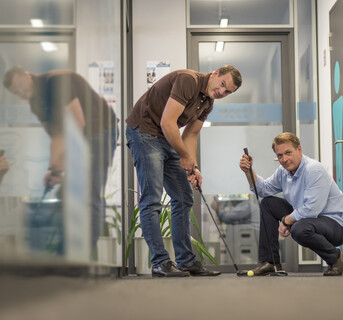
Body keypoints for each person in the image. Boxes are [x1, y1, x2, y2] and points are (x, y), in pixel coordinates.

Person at [126, 65, 242, 277]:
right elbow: (168, 122)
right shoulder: (188, 80)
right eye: (222, 84)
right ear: (215, 73)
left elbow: (190, 135)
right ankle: (160, 262)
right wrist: (185, 156)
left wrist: (193, 166)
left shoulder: (207, 102)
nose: (221, 92)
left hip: (164, 136)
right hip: (143, 130)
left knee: (183, 196)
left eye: (227, 92)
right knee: (152, 198)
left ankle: (186, 261)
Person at [3, 66, 118, 253]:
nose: (23, 94)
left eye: (22, 87)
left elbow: (77, 125)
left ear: (27, 75)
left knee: (91, 193)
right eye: (18, 93)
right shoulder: (35, 104)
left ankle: (81, 258)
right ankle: (64, 253)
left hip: (101, 131)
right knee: (66, 194)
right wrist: (54, 169)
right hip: (81, 136)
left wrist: (63, 165)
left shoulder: (55, 83)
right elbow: (56, 136)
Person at [239, 132, 343, 276]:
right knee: (268, 204)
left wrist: (286, 220)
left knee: (299, 229)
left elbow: (312, 209)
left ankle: (335, 258)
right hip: (310, 219)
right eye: (280, 155)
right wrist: (248, 172)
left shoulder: (313, 170)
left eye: (288, 153)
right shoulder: (283, 172)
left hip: (336, 224)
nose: (284, 159)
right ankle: (269, 262)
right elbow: (263, 190)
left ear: (299, 149)